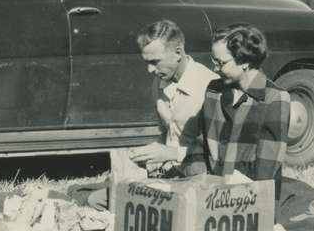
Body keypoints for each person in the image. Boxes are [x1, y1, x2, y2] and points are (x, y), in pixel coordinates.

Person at [84, 19, 217, 209]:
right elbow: (168, 132)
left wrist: (171, 153)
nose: (150, 70)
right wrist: (147, 153)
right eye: (147, 63)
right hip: (170, 174)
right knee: (99, 198)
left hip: (198, 178)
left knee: (125, 203)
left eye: (155, 62)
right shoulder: (161, 81)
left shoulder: (209, 87)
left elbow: (218, 154)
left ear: (178, 52)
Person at [194, 23, 290, 202]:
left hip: (250, 202)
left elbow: (266, 169)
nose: (215, 68)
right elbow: (199, 145)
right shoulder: (214, 90)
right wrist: (197, 184)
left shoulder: (274, 98)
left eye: (221, 63)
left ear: (244, 61)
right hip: (209, 195)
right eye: (213, 61)